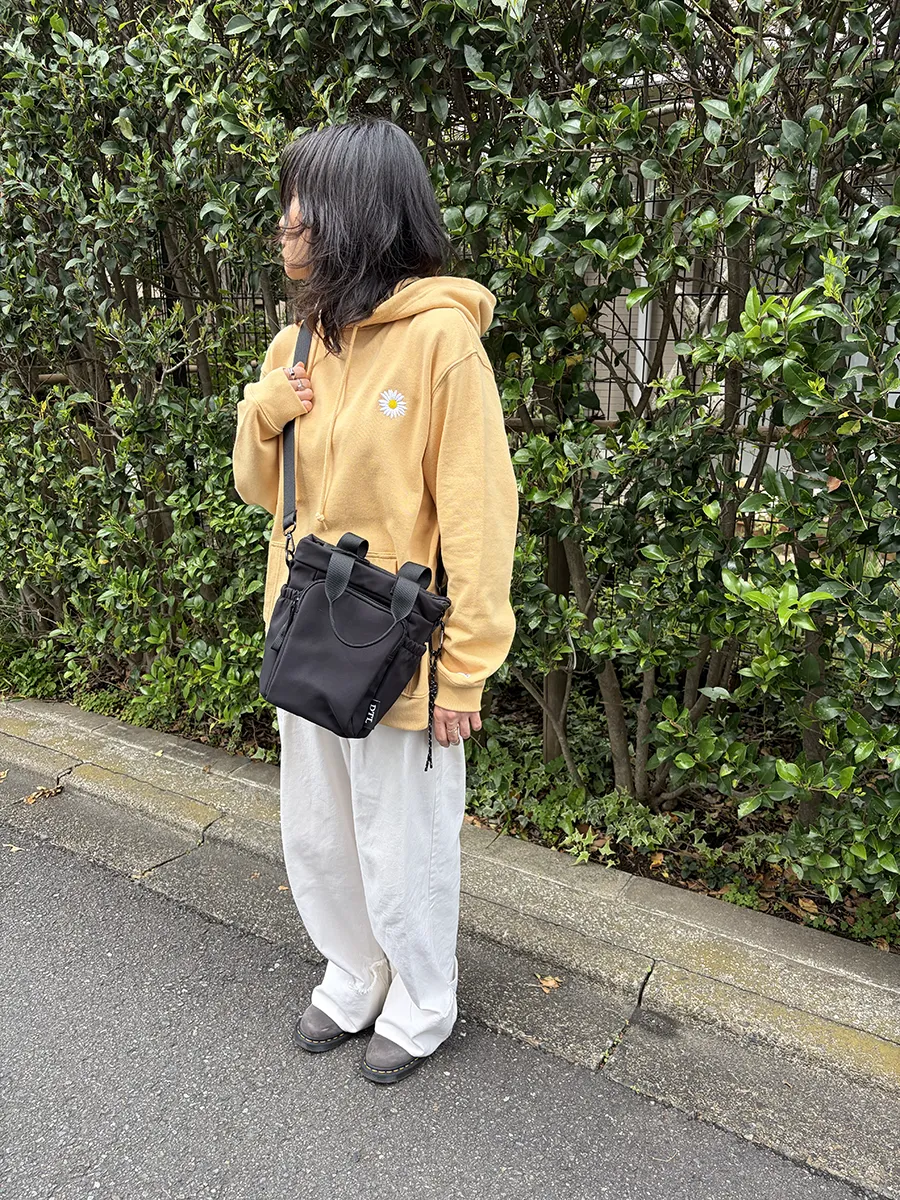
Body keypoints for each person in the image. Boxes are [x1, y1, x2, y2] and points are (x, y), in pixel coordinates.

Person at [232, 118, 518, 1085]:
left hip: (401, 649)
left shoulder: (442, 342)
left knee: (404, 840)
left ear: (358, 213)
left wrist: (465, 671)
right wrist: (264, 410)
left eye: (303, 205)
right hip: (307, 630)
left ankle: (423, 999)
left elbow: (480, 518)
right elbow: (263, 492)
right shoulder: (298, 342)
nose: (287, 223)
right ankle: (354, 971)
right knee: (318, 829)